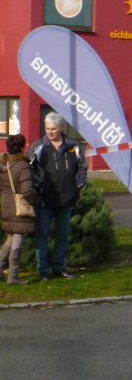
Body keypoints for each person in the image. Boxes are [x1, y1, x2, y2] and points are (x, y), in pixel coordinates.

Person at [27, 112, 87, 281]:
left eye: (53, 129)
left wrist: (77, 186)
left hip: (66, 200)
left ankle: (59, 267)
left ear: (61, 127)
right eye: (47, 128)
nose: (50, 132)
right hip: (44, 201)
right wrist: (39, 186)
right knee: (42, 235)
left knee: (62, 236)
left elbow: (82, 167)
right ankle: (42, 270)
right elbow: (28, 170)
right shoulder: (38, 147)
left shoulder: (73, 146)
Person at [0, 134, 38, 284]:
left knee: (10, 239)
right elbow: (27, 191)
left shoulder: (3, 164)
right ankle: (13, 276)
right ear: (22, 148)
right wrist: (37, 202)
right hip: (18, 206)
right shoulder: (22, 165)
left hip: (5, 205)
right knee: (17, 240)